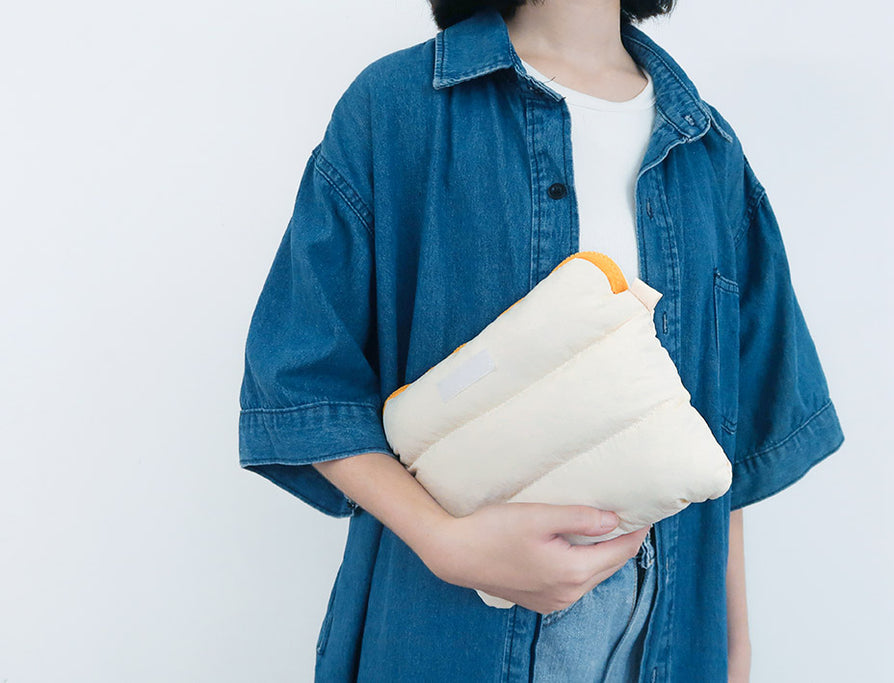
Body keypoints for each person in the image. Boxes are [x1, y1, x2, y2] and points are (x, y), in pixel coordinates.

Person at [236, 1, 846, 681]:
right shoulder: (397, 108)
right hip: (451, 625)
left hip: (669, 637)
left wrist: (735, 650)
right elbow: (299, 376)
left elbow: (728, 431)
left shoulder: (710, 151)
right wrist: (446, 542)